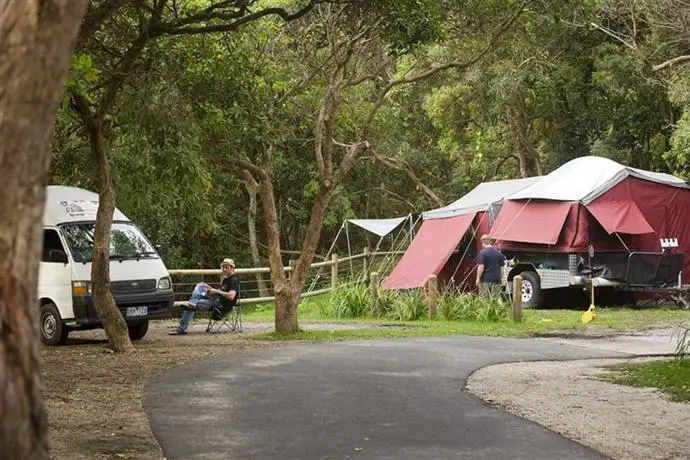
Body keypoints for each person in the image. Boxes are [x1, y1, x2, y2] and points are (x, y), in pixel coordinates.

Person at [170, 258, 240, 335]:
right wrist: (209, 288)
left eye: (227, 267)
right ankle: (193, 303)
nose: (224, 269)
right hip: (216, 299)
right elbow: (220, 291)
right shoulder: (226, 280)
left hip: (220, 305)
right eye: (223, 267)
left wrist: (216, 291)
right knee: (200, 285)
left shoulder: (234, 280)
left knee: (190, 305)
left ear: (232, 268)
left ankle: (181, 328)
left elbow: (231, 296)